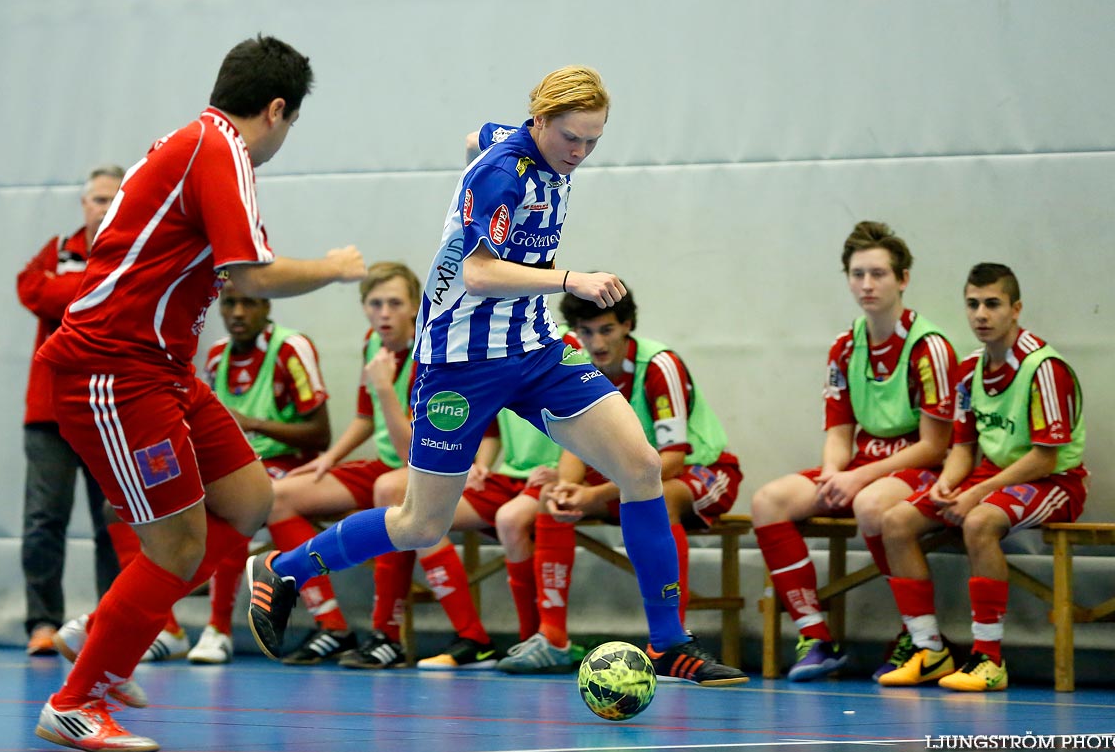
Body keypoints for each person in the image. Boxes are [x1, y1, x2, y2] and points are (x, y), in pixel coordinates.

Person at [246, 66, 747, 687]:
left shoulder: (516, 145)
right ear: (538, 123)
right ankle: (284, 569)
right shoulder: (500, 175)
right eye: (571, 138)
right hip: (461, 364)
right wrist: (572, 280)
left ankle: (669, 644)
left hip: (535, 348)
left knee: (641, 467)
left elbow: (473, 135)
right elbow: (480, 273)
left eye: (594, 140)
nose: (580, 153)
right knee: (419, 523)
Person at [31, 35, 366, 752]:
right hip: (113, 372)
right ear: (277, 109)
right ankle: (74, 701)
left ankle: (111, 627)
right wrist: (336, 270)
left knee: (250, 501)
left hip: (165, 370)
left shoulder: (198, 146)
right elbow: (249, 274)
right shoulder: (217, 151)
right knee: (177, 546)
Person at [496, 285, 743, 673]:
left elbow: (672, 460)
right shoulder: (573, 363)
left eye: (607, 330)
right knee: (552, 499)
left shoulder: (660, 365)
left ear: (627, 325)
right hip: (623, 473)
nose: (597, 342)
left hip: (700, 469)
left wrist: (593, 496)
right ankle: (552, 638)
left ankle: (672, 639)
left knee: (662, 498)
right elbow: (574, 442)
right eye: (586, 331)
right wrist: (570, 487)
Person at [749, 220, 957, 681]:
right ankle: (817, 638)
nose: (867, 284)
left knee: (869, 504)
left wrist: (857, 478)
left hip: (923, 467)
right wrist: (831, 472)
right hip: (866, 465)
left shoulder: (931, 348)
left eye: (878, 274)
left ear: (903, 279)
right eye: (857, 273)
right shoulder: (845, 347)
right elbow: (840, 431)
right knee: (769, 501)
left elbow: (934, 445)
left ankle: (921, 638)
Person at [261, 262, 495, 669]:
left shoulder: (435, 349)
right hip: (388, 464)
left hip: (435, 465)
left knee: (392, 491)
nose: (384, 313)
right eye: (375, 303)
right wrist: (328, 459)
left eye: (394, 303)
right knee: (279, 496)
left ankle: (393, 634)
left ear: (414, 308)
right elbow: (366, 419)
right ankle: (332, 626)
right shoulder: (374, 343)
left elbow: (416, 453)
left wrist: (386, 389)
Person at [877, 263, 1087, 692]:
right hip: (991, 478)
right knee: (895, 522)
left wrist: (979, 493)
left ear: (1016, 308)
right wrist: (948, 483)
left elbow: (1046, 459)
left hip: (1055, 482)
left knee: (979, 521)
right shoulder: (969, 368)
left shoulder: (1044, 367)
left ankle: (988, 659)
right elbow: (963, 448)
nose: (980, 315)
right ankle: (929, 650)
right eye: (972, 304)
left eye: (992, 304)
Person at [185, 283, 332, 665]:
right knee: (143, 501)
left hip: (291, 464)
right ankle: (163, 627)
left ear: (267, 304)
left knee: (241, 503)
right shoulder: (217, 357)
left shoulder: (291, 349)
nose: (236, 313)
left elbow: (320, 433)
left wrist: (253, 423)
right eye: (229, 303)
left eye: (248, 302)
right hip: (237, 467)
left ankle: (218, 629)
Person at [15, 166, 124, 657]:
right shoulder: (57, 248)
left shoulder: (134, 251)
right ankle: (42, 623)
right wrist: (94, 287)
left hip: (111, 412)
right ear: (84, 204)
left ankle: (111, 625)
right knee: (43, 521)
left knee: (115, 523)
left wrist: (74, 291)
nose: (104, 207)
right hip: (50, 415)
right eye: (98, 199)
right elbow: (32, 291)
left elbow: (124, 305)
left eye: (113, 199)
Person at [364, 407, 563, 670]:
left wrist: (565, 473)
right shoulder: (501, 369)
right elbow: (492, 429)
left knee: (510, 520)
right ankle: (472, 639)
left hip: (554, 477)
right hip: (506, 477)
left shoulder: (574, 368)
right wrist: (481, 466)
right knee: (421, 519)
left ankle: (533, 639)